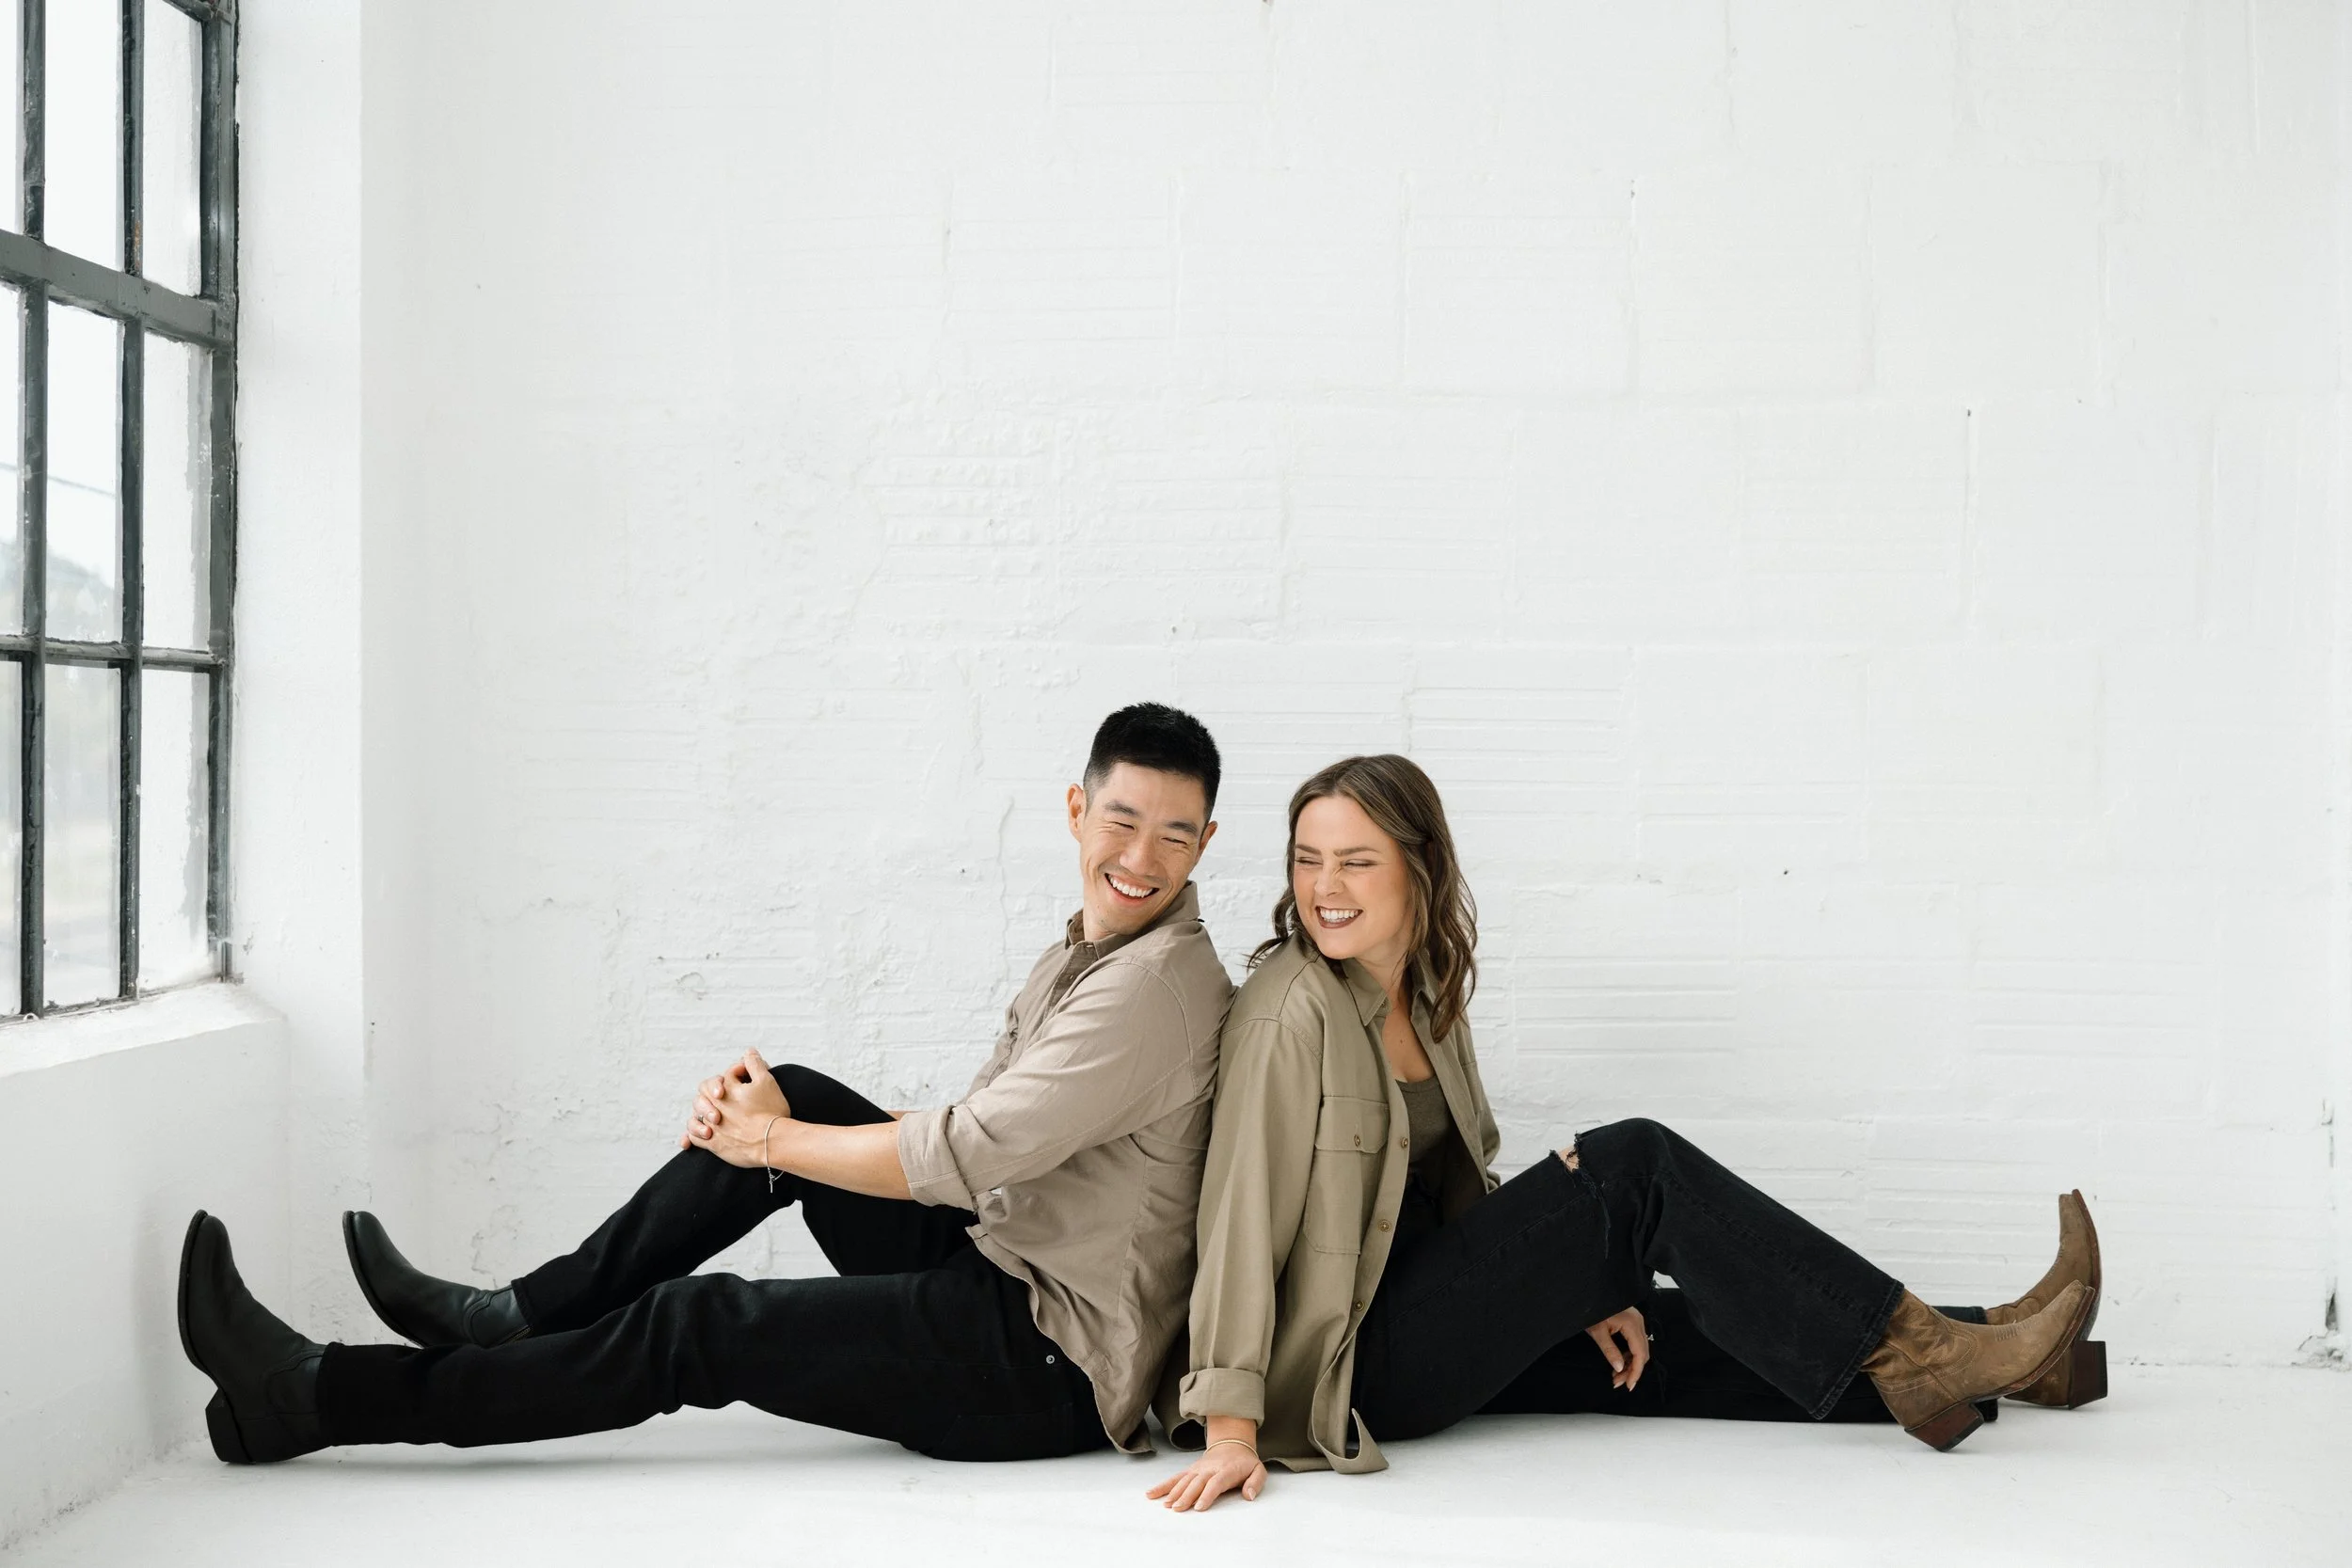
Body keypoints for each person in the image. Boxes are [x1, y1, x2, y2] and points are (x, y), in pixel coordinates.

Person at [178, 703, 1235, 1465]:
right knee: (795, 1090)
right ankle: (513, 1316)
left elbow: (966, 1150)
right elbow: (979, 1129)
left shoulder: (1153, 989)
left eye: (1174, 834)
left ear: (1205, 843)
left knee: (698, 1325)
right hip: (998, 1258)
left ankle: (315, 1394)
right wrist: (768, 1123)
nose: (1141, 856)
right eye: (1122, 819)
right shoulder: (1090, 948)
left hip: (1045, 1360)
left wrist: (762, 1143)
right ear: (1075, 809)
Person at [1149, 754, 2104, 1513]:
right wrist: (1229, 1429)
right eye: (1307, 858)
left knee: (1686, 1330)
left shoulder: (1425, 988)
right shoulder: (1289, 1012)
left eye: (1355, 859)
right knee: (1632, 1164)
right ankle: (1932, 1348)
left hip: (1426, 1308)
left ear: (1418, 864)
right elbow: (1240, 1220)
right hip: (1355, 1366)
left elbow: (1457, 1193)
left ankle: (2005, 1355)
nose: (1324, 885)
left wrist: (1579, 1278)